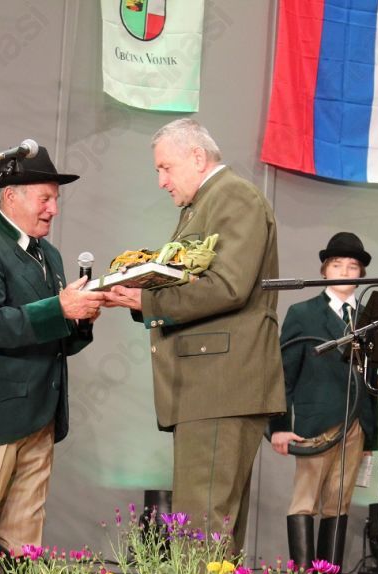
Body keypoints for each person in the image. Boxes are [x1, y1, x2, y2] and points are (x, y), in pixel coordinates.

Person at [103, 118, 285, 551]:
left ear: (197, 157)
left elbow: (229, 286)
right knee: (212, 530)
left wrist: (147, 301)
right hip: (212, 386)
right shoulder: (206, 203)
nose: (161, 181)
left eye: (165, 168)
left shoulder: (233, 196)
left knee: (200, 528)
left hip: (219, 385)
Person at [0, 146, 103, 551]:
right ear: (11, 196)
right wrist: (59, 308)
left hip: (40, 419)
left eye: (56, 200)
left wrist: (81, 317)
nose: (54, 210)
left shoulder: (49, 255)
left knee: (23, 545)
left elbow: (53, 337)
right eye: (45, 199)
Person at [269, 232, 378, 574]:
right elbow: (283, 373)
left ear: (361, 274)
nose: (345, 271)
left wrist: (371, 435)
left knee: (339, 504)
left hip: (356, 424)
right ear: (324, 270)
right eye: (337, 265)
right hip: (315, 423)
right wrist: (278, 426)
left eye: (352, 266)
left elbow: (372, 378)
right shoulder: (303, 313)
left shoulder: (369, 318)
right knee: (305, 500)